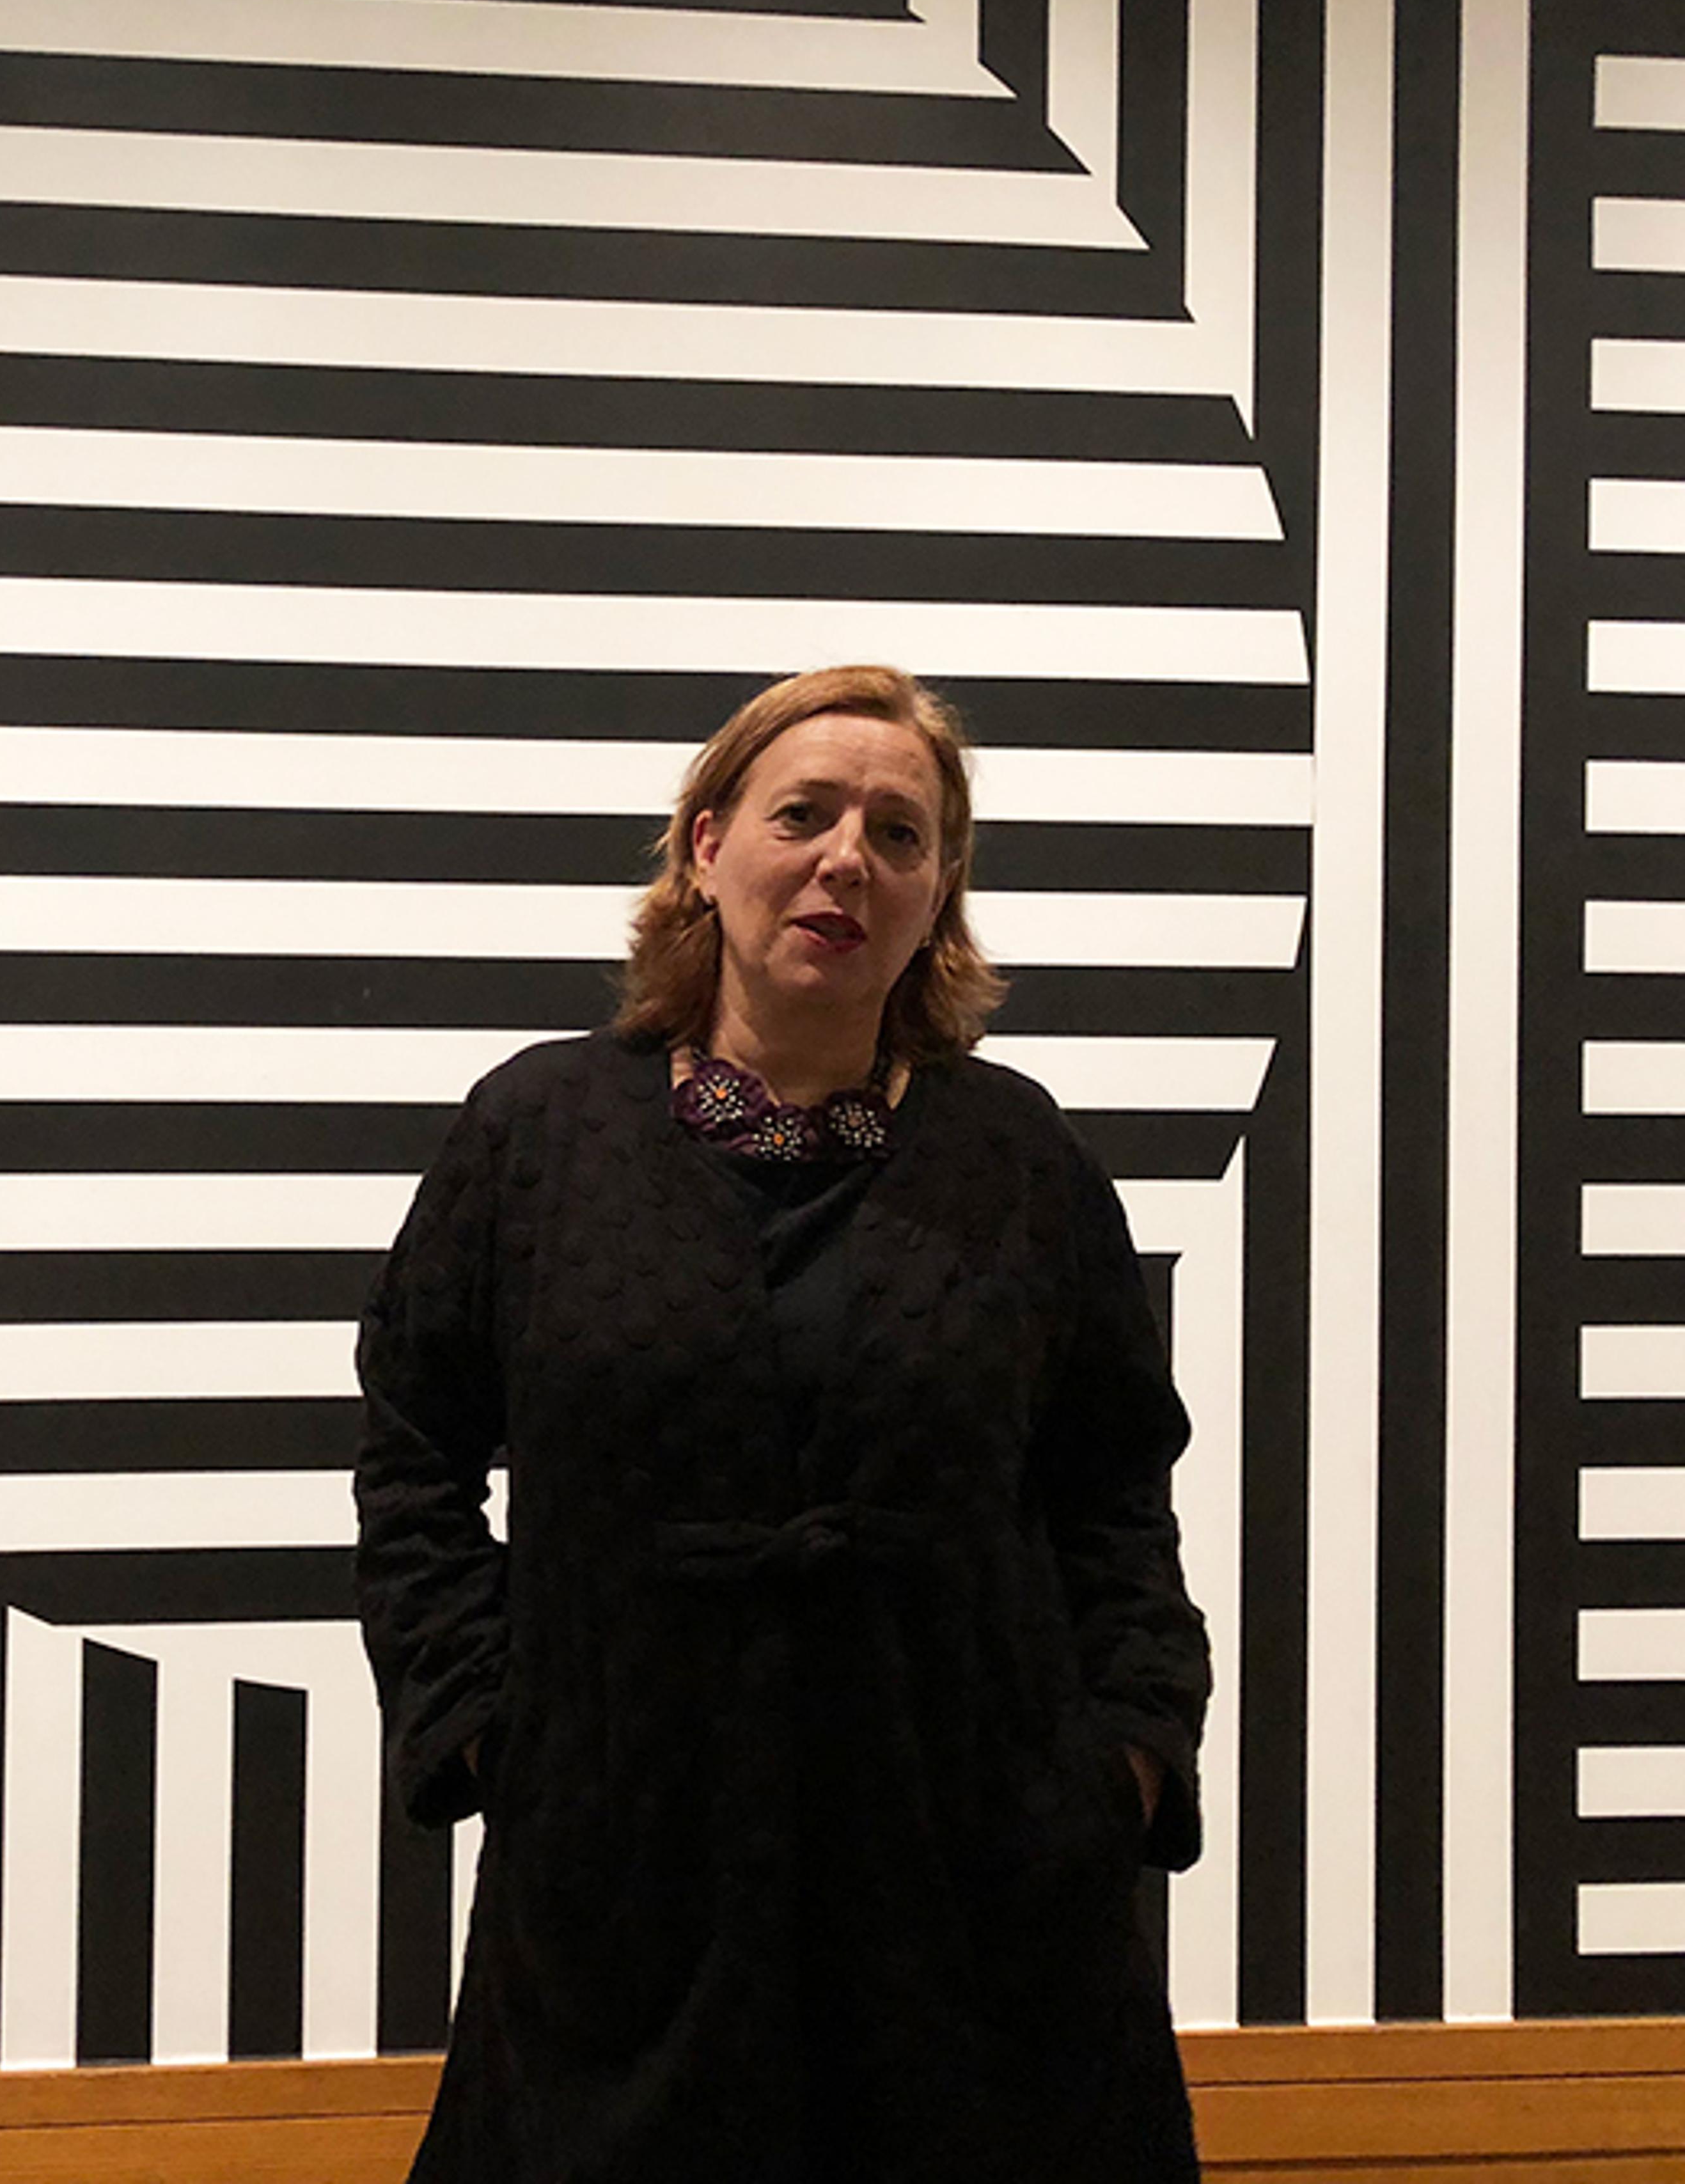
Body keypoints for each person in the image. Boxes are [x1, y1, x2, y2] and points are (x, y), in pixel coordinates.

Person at [352, 664, 1212, 2184]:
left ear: (940, 891)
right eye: (802, 815)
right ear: (704, 847)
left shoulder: (1021, 1157)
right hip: (628, 1878)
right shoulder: (536, 1137)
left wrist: (1124, 1757)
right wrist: (493, 1731)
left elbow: (1116, 1487)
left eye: (900, 833)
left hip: (979, 1890)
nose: (847, 862)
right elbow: (414, 1451)